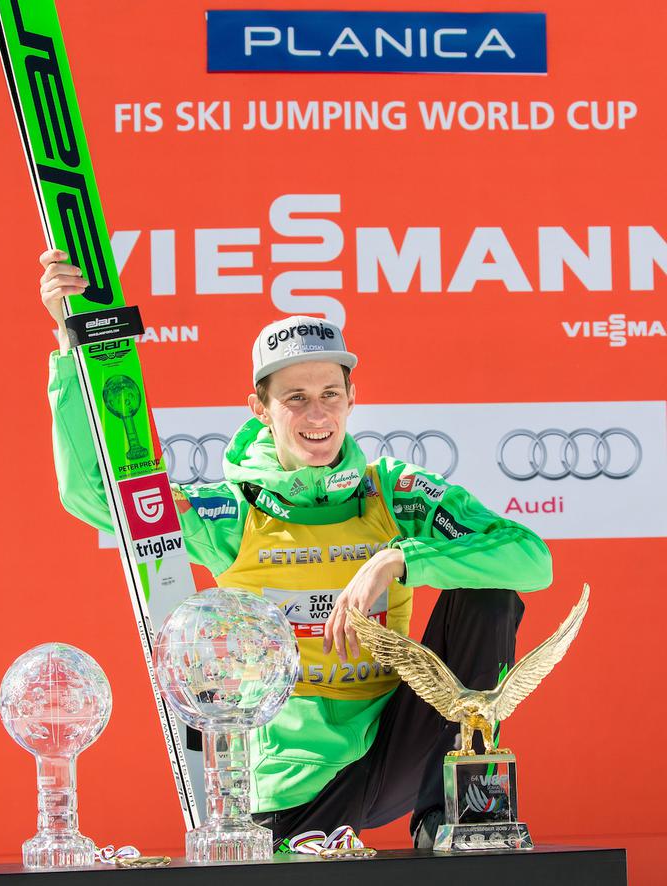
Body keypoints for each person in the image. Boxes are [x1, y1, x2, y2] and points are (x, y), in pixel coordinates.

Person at [40, 248, 553, 849]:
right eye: (295, 398)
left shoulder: (391, 492)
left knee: (487, 599)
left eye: (330, 394)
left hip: (395, 746)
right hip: (293, 784)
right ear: (260, 408)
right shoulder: (232, 509)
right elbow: (93, 494)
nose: (317, 414)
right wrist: (69, 339)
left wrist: (400, 558)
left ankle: (453, 813)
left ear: (352, 398)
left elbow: (530, 557)